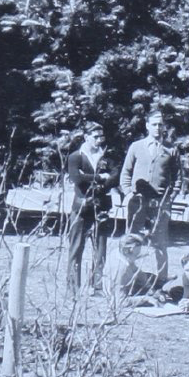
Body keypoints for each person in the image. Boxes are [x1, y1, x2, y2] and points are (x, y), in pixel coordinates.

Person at [120, 109, 182, 286]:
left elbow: (178, 178)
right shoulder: (136, 147)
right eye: (154, 124)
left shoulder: (171, 150)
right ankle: (129, 278)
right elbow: (126, 172)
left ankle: (161, 280)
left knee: (160, 243)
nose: (157, 127)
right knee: (132, 241)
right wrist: (128, 193)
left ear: (164, 127)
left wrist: (171, 197)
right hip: (137, 203)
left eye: (160, 124)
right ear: (147, 126)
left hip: (160, 204)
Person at [66, 122, 116, 294]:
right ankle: (73, 287)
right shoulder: (75, 156)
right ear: (86, 137)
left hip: (102, 207)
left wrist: (99, 181)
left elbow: (115, 176)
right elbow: (77, 179)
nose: (99, 140)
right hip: (81, 207)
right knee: (76, 247)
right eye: (95, 137)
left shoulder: (106, 156)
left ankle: (97, 285)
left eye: (101, 137)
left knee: (101, 248)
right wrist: (101, 176)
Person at [103, 234, 163, 308]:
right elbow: (120, 302)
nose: (138, 255)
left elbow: (135, 270)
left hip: (127, 283)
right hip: (119, 291)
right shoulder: (121, 269)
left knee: (154, 278)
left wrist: (150, 288)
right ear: (129, 250)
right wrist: (145, 299)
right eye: (137, 254)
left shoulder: (120, 253)